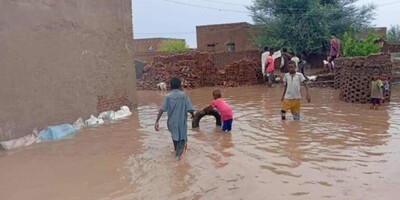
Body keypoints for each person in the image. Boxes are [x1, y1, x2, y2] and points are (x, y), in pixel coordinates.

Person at [155, 77, 195, 160]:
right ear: (180, 86)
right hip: (181, 122)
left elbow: (162, 109)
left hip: (172, 123)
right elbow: (189, 108)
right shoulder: (183, 95)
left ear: (170, 86)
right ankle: (180, 161)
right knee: (183, 140)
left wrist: (157, 121)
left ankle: (176, 153)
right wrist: (193, 115)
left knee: (175, 138)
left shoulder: (168, 96)